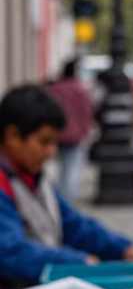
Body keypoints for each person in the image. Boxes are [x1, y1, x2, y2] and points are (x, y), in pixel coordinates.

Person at [0, 85, 133, 289]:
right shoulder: (4, 183)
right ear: (13, 137)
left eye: (54, 142)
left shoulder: (34, 178)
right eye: (44, 142)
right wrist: (75, 261)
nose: (51, 152)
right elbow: (9, 251)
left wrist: (121, 249)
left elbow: (72, 224)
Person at [46, 58, 94, 201]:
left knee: (61, 168)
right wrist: (85, 130)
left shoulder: (55, 89)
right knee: (72, 169)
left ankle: (61, 197)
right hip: (76, 135)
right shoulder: (81, 90)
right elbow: (87, 112)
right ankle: (68, 199)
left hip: (57, 134)